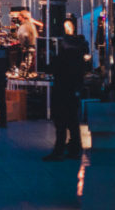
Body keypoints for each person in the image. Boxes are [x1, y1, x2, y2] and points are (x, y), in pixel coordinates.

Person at [42, 22, 85, 162]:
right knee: (73, 123)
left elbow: (50, 69)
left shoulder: (62, 58)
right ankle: (75, 148)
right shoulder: (79, 58)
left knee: (60, 124)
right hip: (73, 93)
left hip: (61, 92)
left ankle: (59, 150)